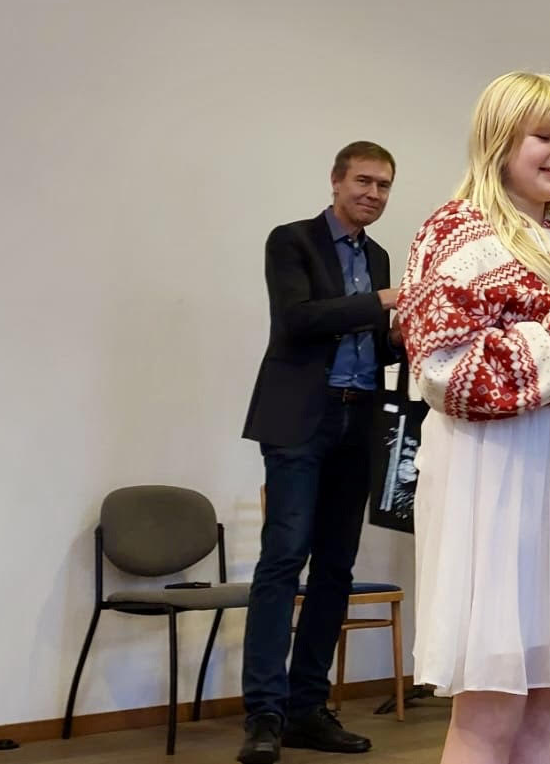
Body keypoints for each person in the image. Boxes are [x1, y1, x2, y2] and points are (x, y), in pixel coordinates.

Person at [398, 72, 550, 764]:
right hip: (493, 469)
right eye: (544, 136)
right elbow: (446, 370)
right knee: (492, 703)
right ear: (499, 140)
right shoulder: (454, 230)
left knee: (542, 701)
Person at [238, 142, 402, 764]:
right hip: (300, 420)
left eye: (384, 186)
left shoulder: (378, 256)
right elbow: (298, 320)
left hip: (359, 419)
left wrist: (405, 334)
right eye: (364, 181)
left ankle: (307, 708)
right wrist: (382, 303)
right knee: (284, 559)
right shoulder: (292, 241)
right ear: (336, 181)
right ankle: (265, 713)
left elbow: (374, 342)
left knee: (336, 567)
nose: (373, 194)